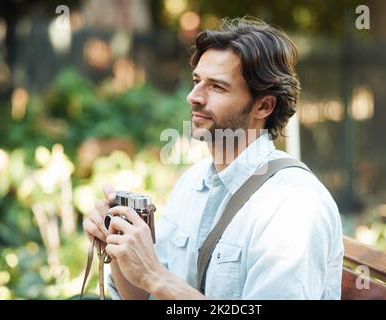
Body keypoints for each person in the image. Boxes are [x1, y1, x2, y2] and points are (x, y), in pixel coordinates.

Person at [82, 17, 344, 300]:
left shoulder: (294, 207)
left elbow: (155, 280)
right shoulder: (192, 184)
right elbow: (141, 296)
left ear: (264, 105)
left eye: (217, 87)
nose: (193, 96)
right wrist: (119, 246)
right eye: (197, 81)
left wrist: (154, 276)